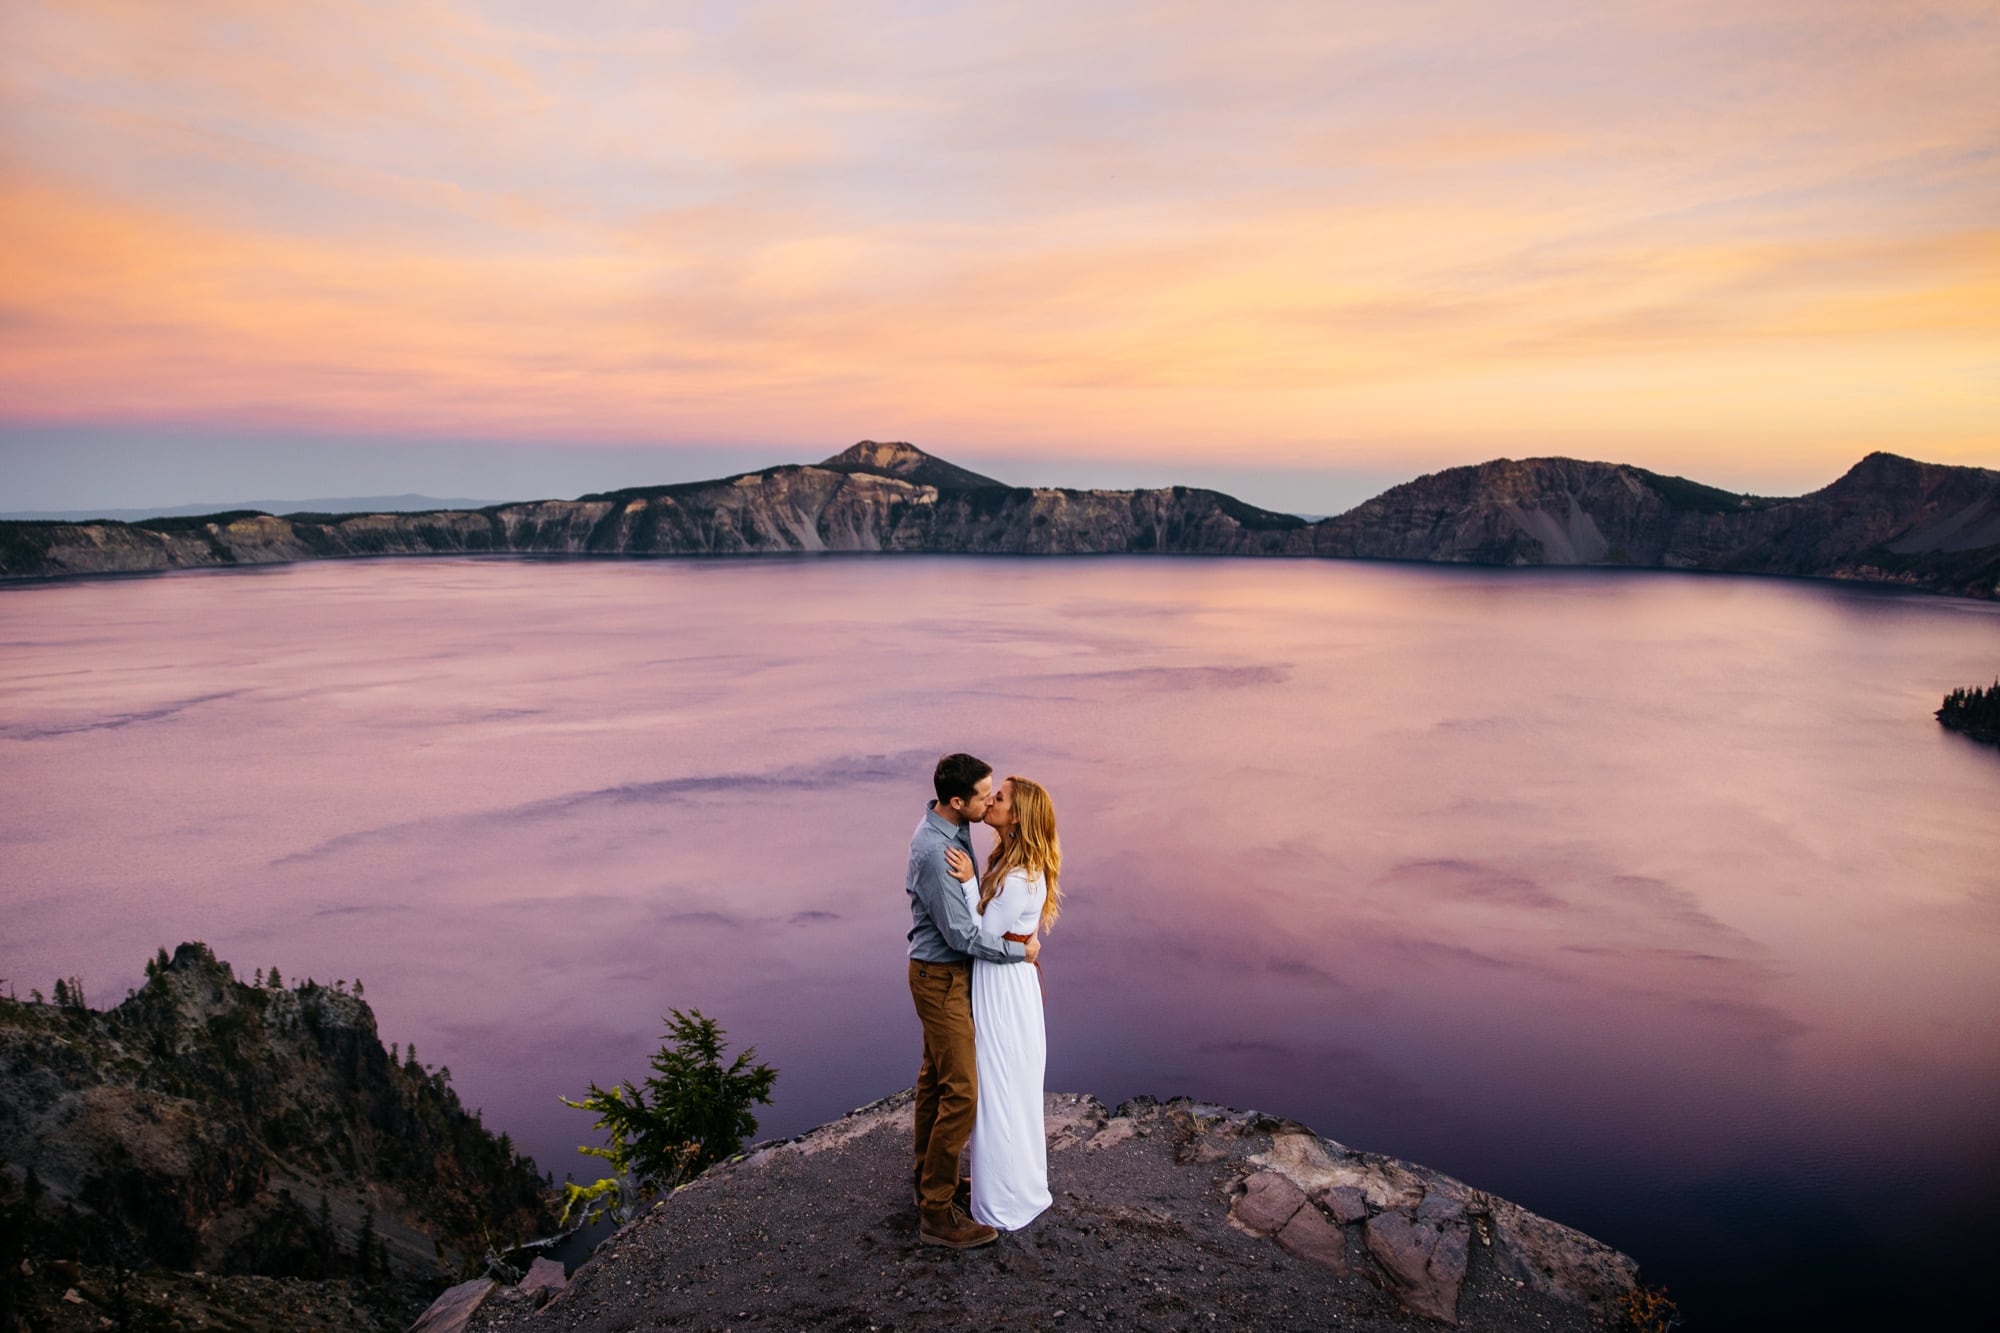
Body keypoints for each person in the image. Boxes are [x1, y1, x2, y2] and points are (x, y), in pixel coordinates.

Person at [906, 753, 1040, 1249]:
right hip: (940, 978)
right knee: (962, 1091)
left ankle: (928, 1179)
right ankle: (936, 1214)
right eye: (984, 796)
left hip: (946, 976)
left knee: (935, 1079)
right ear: (957, 801)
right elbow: (963, 936)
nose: (990, 803)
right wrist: (1018, 950)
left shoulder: (953, 826)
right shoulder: (936, 851)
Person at [945, 774, 1061, 1231]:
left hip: (1003, 986)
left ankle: (1005, 1203)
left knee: (998, 1089)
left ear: (1017, 816)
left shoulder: (1017, 877)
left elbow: (982, 936)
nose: (991, 801)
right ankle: (1008, 1183)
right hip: (1010, 981)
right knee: (1009, 1089)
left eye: (1001, 798)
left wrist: (971, 883)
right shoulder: (1020, 865)